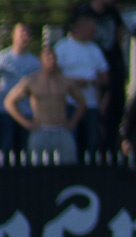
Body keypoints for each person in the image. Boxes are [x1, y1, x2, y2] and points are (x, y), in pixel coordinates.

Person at [3, 47, 85, 164]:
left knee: (68, 165)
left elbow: (82, 102)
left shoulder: (65, 81)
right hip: (40, 129)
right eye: (47, 58)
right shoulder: (32, 80)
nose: (51, 61)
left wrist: (73, 122)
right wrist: (25, 122)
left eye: (53, 58)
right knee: (38, 166)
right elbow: (9, 102)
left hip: (61, 128)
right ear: (41, 60)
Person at [73, 0, 127, 153]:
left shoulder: (113, 12)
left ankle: (110, 150)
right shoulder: (82, 11)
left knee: (112, 114)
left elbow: (119, 33)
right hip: (88, 87)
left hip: (110, 69)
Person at [54, 13, 109, 161]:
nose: (94, 33)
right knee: (71, 139)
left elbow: (105, 76)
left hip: (91, 103)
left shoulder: (94, 49)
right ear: (80, 28)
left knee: (91, 140)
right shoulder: (63, 47)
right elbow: (54, 75)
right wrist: (73, 82)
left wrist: (95, 81)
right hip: (70, 103)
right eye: (91, 30)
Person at [0, 23, 41, 154]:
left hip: (27, 112)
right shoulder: (3, 59)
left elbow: (39, 86)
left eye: (27, 34)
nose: (25, 36)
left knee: (25, 151)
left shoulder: (35, 62)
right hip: (5, 111)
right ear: (13, 36)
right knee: (6, 149)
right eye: (22, 33)